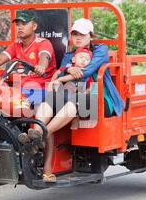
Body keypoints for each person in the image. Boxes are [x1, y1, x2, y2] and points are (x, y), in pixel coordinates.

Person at [19, 18, 125, 182]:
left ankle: (38, 134)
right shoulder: (70, 54)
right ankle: (39, 139)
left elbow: (86, 71)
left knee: (75, 102)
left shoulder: (100, 50)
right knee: (48, 100)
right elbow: (61, 71)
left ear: (90, 35)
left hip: (98, 97)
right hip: (73, 93)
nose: (78, 37)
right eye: (75, 34)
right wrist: (68, 68)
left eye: (82, 34)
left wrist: (64, 74)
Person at [0, 9, 57, 107]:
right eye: (18, 24)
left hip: (39, 90)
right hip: (19, 91)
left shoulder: (43, 43)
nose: (20, 27)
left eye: (24, 23)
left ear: (34, 26)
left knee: (10, 103)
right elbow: (0, 59)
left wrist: (41, 66)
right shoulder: (16, 45)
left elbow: (44, 56)